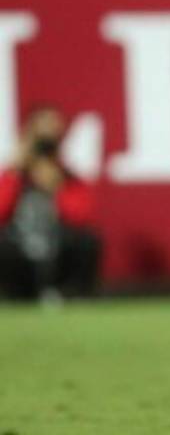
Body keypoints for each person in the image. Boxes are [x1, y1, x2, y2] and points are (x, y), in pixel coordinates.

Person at [0, 105, 102, 302]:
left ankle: (73, 293)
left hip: (58, 250)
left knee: (87, 241)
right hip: (19, 250)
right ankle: (12, 294)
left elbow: (82, 218)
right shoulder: (13, 175)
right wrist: (15, 174)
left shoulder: (68, 177)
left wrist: (57, 188)